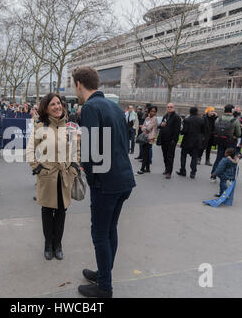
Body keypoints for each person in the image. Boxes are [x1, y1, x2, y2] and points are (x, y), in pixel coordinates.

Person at [74, 67, 135, 298]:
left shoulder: (90, 107)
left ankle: (104, 287)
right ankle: (104, 273)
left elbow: (90, 151)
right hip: (123, 179)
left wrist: (90, 178)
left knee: (100, 233)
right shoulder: (113, 106)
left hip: (105, 182)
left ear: (79, 84)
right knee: (110, 230)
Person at [26, 93, 80, 261]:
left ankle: (58, 245)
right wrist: (38, 168)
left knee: (62, 212)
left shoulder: (70, 126)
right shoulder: (40, 126)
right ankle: (48, 245)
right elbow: (29, 151)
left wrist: (74, 168)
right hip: (47, 176)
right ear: (46, 108)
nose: (57, 106)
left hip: (65, 176)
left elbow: (76, 150)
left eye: (58, 103)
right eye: (52, 104)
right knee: (47, 211)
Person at [210, 104, 241, 182]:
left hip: (220, 141)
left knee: (218, 159)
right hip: (231, 143)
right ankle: (230, 179)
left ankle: (213, 177)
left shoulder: (218, 119)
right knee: (231, 160)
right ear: (232, 111)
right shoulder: (235, 120)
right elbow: (238, 134)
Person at [177, 107, 205, 179]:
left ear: (190, 112)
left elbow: (184, 131)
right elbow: (203, 131)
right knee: (194, 157)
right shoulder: (201, 120)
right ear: (197, 112)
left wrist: (180, 131)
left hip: (187, 140)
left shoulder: (187, 120)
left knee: (183, 156)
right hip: (196, 141)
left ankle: (183, 170)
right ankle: (193, 172)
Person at [158, 103, 181, 179]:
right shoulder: (165, 116)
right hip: (164, 139)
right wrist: (161, 125)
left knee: (170, 156)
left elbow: (177, 130)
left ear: (174, 108)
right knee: (165, 155)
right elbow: (161, 126)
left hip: (171, 140)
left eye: (171, 107)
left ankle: (169, 172)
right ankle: (166, 168)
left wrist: (174, 140)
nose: (169, 108)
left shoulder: (176, 117)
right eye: (168, 107)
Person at [137, 106, 158, 175]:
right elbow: (143, 127)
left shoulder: (154, 119)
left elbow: (148, 128)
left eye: (154, 111)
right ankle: (148, 169)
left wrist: (144, 128)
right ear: (149, 111)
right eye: (151, 111)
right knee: (146, 152)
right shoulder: (147, 118)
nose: (153, 112)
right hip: (145, 137)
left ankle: (142, 169)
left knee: (145, 153)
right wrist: (144, 128)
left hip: (150, 138)